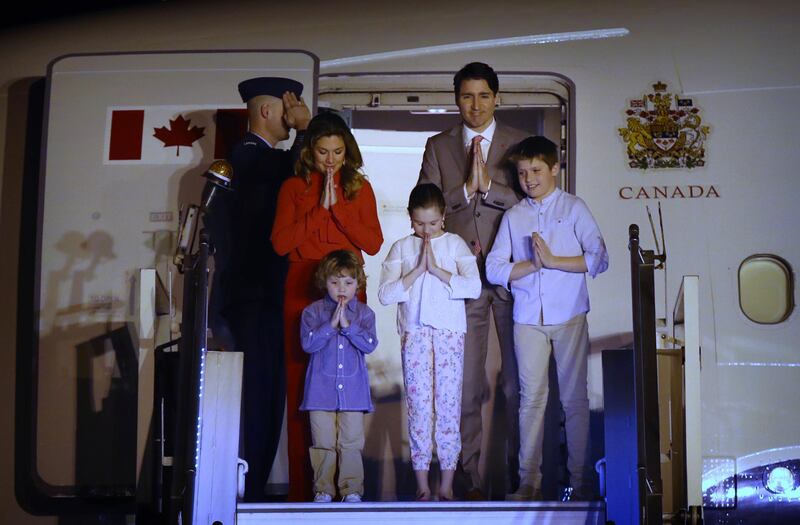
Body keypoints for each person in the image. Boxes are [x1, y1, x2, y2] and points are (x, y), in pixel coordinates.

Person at [417, 61, 528, 499]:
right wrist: (465, 191)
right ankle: (468, 480)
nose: (476, 105)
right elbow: (426, 207)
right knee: (462, 384)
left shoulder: (519, 143)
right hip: (460, 283)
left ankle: (524, 477)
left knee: (519, 383)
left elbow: (531, 199)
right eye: (467, 96)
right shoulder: (438, 145)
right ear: (456, 99)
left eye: (484, 96)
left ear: (497, 97)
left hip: (513, 278)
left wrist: (492, 191)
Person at [485, 136, 609, 501]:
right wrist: (530, 266)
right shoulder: (515, 215)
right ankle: (529, 482)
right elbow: (493, 268)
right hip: (527, 319)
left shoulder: (573, 208)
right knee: (531, 400)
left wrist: (555, 263)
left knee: (574, 400)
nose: (529, 179)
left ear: (555, 169)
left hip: (569, 313)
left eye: (537, 170)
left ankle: (580, 481)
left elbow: (599, 258)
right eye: (523, 173)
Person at [204, 76, 310, 502]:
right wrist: (305, 131)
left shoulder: (259, 159)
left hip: (259, 298)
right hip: (253, 298)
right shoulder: (248, 158)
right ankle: (250, 492)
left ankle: (256, 485)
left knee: (267, 394)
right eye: (288, 107)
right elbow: (299, 176)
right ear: (266, 111)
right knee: (259, 396)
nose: (292, 114)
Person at [271, 112, 383, 501]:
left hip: (347, 288)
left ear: (347, 151)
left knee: (346, 380)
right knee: (304, 385)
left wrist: (339, 209)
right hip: (303, 285)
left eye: (338, 151)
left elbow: (372, 243)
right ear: (309, 151)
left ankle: (350, 490)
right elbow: (281, 244)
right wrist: (319, 208)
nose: (331, 160)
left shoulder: (359, 188)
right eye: (322, 152)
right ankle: (308, 492)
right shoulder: (291, 187)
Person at [378, 183, 481, 501]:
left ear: (444, 218)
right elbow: (385, 294)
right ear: (410, 218)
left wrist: (436, 270)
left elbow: (473, 288)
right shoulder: (401, 248)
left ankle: (447, 485)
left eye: (433, 224)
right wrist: (416, 271)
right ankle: (422, 485)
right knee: (419, 411)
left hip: (449, 335)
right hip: (416, 335)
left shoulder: (455, 245)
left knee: (448, 410)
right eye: (420, 223)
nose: (426, 230)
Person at [299, 250, 378, 503]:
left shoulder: (365, 314)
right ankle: (323, 489)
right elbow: (308, 344)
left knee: (351, 443)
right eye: (334, 282)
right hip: (319, 394)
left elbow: (369, 344)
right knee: (322, 443)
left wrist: (348, 326)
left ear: (357, 284)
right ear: (325, 282)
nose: (341, 288)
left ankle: (351, 489)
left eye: (348, 282)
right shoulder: (312, 312)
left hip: (353, 395)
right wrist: (330, 325)